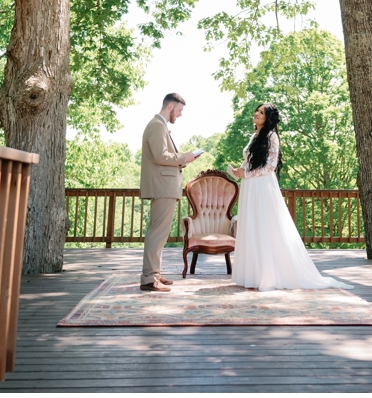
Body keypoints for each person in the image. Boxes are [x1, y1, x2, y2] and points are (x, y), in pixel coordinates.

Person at [228, 103, 351, 291]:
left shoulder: (272, 137)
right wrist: (240, 170)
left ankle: (269, 274)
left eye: (261, 112)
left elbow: (270, 166)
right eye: (257, 111)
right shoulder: (254, 136)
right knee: (252, 225)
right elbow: (251, 162)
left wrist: (248, 174)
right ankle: (252, 274)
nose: (256, 114)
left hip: (262, 186)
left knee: (265, 225)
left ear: (268, 118)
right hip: (250, 186)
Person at [139, 93, 202, 291]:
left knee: (160, 233)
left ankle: (154, 273)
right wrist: (186, 157)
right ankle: (149, 278)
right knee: (157, 233)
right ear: (170, 107)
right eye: (180, 110)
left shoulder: (160, 126)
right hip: (162, 187)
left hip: (164, 187)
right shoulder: (157, 125)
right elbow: (161, 156)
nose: (180, 115)